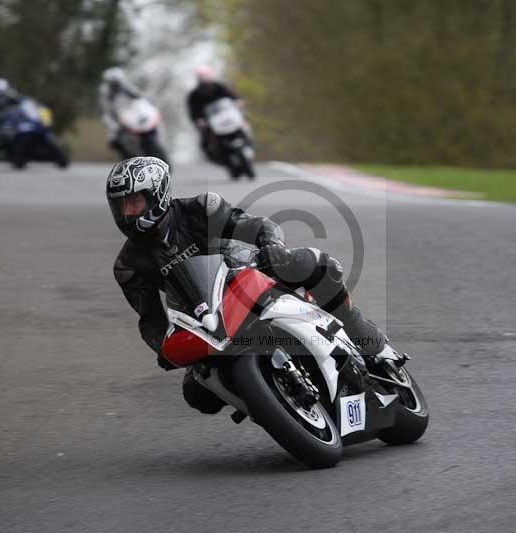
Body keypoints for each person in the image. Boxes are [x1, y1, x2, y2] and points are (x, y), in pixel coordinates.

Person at [107, 156, 390, 414]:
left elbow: (258, 226)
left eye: (134, 202)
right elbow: (150, 318)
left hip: (248, 275)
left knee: (314, 264)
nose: (127, 213)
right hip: (205, 318)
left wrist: (272, 247)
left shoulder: (201, 209)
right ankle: (268, 400)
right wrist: (162, 348)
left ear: (157, 194)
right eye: (120, 206)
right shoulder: (128, 265)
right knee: (197, 395)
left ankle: (358, 331)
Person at [186, 66, 243, 163]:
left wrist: (238, 101)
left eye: (206, 76)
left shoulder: (219, 87)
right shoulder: (194, 94)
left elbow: (232, 95)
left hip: (225, 115)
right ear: (198, 78)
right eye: (202, 77)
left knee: (242, 122)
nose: (205, 79)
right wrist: (198, 120)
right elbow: (192, 111)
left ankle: (246, 140)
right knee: (205, 140)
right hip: (209, 122)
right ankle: (215, 157)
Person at [99, 67, 143, 159]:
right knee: (115, 141)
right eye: (113, 82)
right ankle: (128, 160)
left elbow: (141, 99)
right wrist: (115, 126)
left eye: (117, 82)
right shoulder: (105, 93)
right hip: (119, 122)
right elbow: (105, 113)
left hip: (135, 118)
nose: (116, 85)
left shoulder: (128, 88)